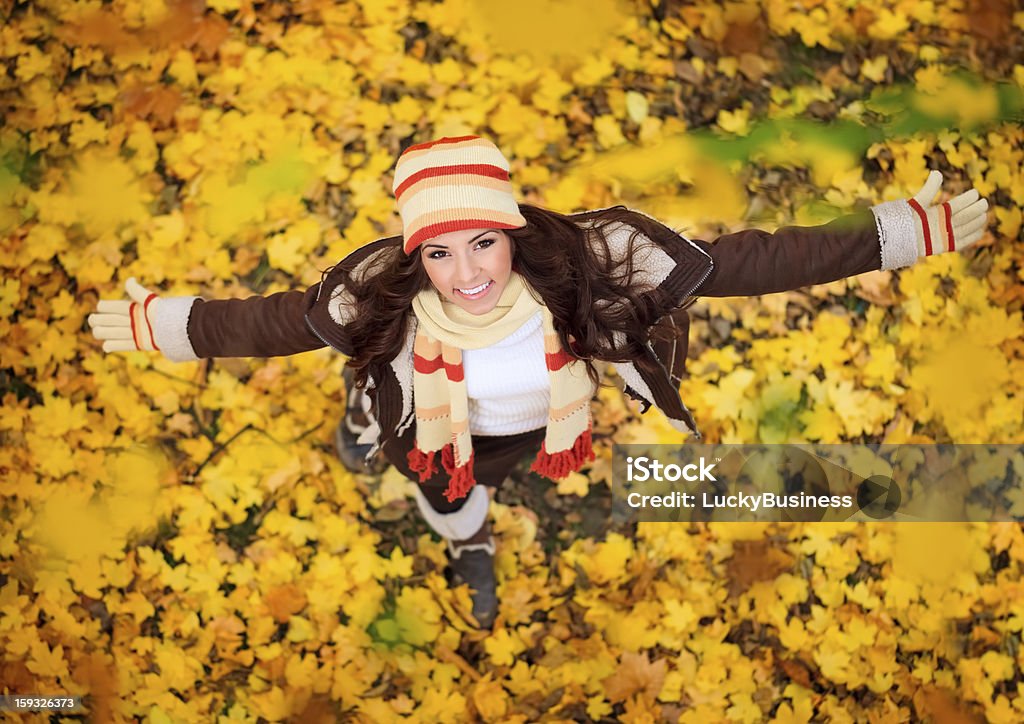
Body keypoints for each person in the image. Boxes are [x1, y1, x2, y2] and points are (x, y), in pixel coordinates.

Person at [88, 135, 989, 628]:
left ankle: (422, 466)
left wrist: (898, 234)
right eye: (438, 252)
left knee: (494, 469)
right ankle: (441, 510)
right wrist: (163, 324)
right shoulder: (387, 295)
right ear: (417, 255)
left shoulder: (587, 266)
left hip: (526, 426)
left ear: (512, 230)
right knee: (438, 479)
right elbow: (270, 321)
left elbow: (749, 259)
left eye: (482, 241)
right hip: (432, 420)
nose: (466, 271)